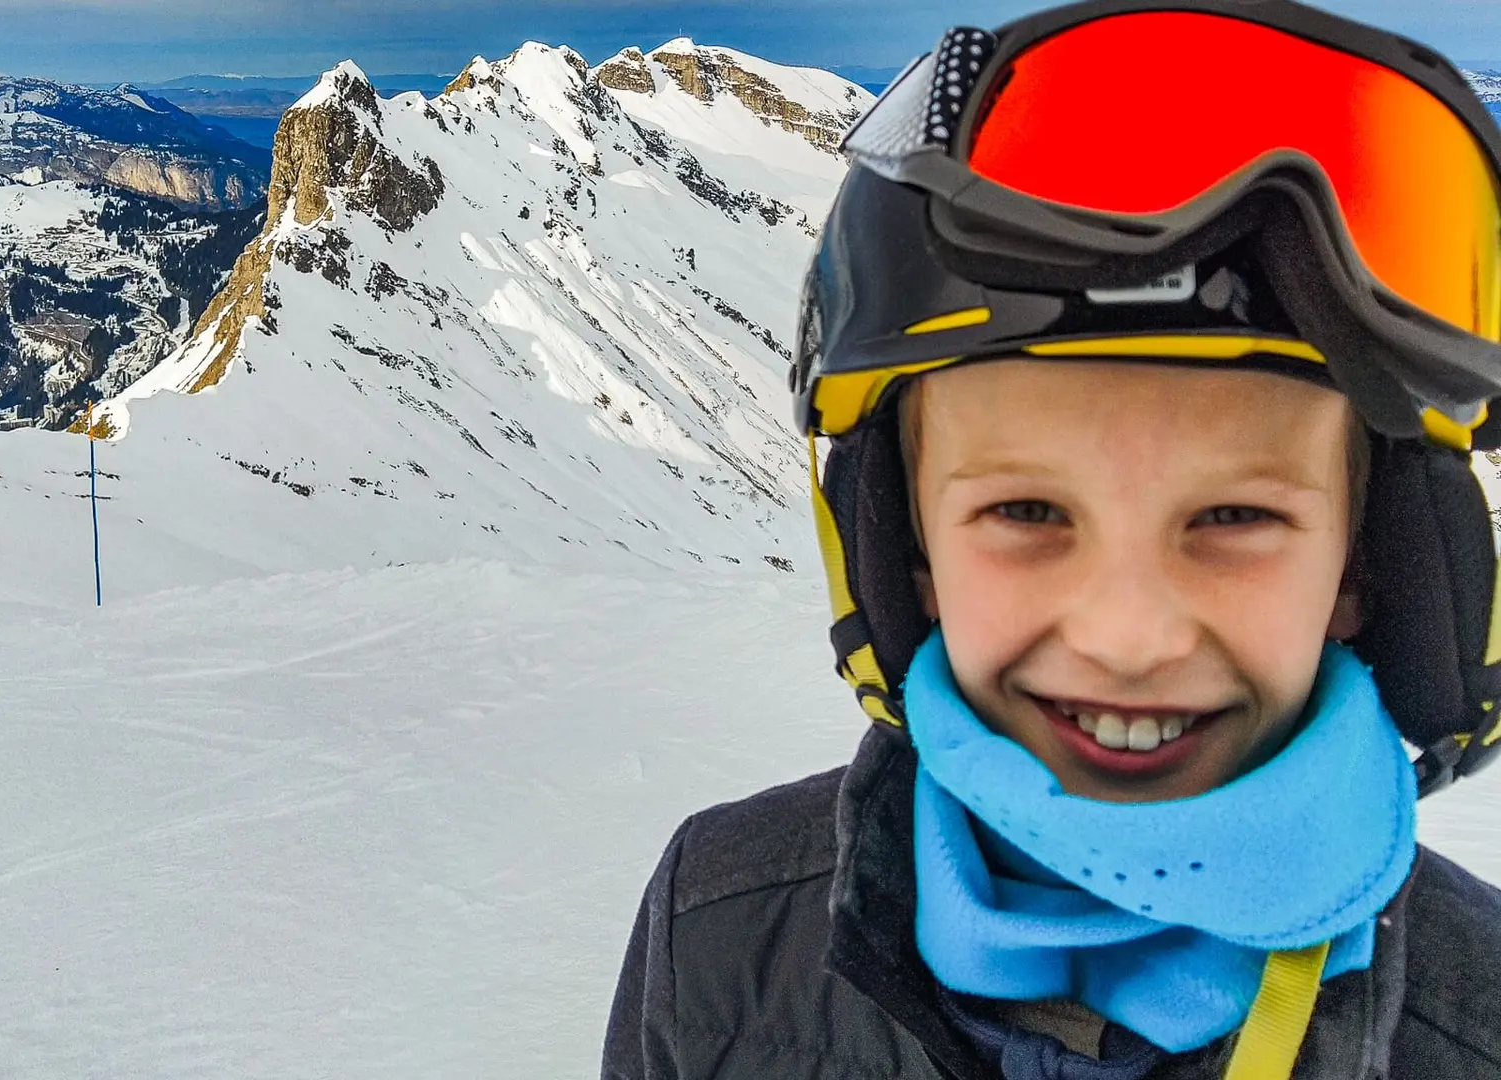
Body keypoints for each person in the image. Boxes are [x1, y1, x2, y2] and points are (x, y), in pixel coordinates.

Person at [601, 1, 1501, 1077]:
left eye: (1233, 518)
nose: (1128, 635)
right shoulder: (717, 930)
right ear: (906, 556)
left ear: (1367, 566)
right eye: (1028, 514)